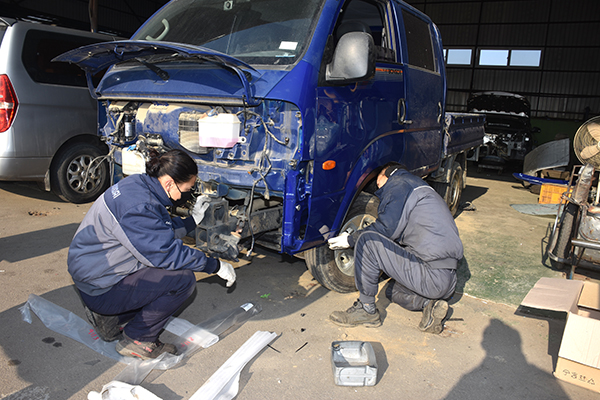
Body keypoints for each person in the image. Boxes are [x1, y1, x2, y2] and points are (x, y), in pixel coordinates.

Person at [67, 149, 236, 359]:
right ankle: (138, 338)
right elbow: (166, 253)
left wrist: (192, 220)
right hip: (101, 287)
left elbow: (156, 231)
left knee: (156, 265)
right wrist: (215, 266)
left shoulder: (139, 185)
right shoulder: (139, 206)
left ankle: (110, 317)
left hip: (94, 273)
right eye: (187, 188)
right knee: (181, 279)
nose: (188, 193)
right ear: (169, 183)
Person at [327, 162, 463, 334]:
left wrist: (351, 239)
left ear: (389, 173)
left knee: (367, 240)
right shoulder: (422, 189)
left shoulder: (399, 184)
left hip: (430, 274)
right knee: (393, 291)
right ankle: (429, 303)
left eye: (378, 178)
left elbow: (387, 228)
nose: (376, 184)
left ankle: (366, 309)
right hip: (448, 280)